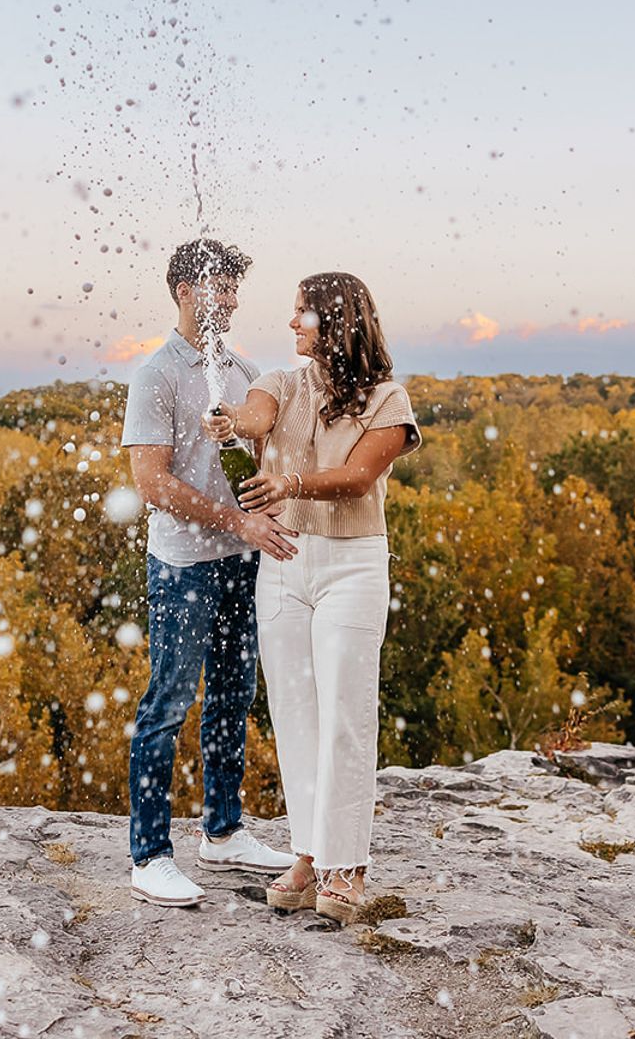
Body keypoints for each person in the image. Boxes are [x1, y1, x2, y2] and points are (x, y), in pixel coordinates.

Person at [201, 271, 420, 924]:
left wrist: (290, 482)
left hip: (351, 567)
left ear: (340, 321)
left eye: (304, 314)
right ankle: (308, 853)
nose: (292, 324)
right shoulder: (281, 382)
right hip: (285, 565)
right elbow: (254, 414)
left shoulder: (387, 398)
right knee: (295, 717)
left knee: (345, 717)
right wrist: (228, 420)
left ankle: (347, 865)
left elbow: (356, 480)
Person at [119, 238, 302, 907]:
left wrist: (269, 506)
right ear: (184, 291)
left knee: (232, 695)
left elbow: (256, 473)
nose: (228, 300)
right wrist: (237, 524)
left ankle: (223, 832)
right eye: (218, 288)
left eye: (233, 290)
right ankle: (149, 855)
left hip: (243, 562)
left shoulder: (246, 371)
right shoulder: (156, 375)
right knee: (168, 702)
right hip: (184, 568)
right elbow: (151, 482)